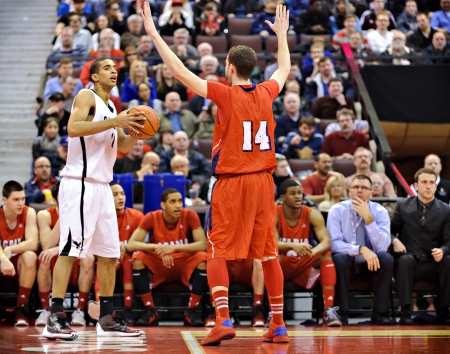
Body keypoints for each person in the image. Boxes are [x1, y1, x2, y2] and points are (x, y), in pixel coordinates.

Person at [140, 0, 291, 345]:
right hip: (265, 183)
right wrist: (281, 36)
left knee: (217, 250)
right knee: (268, 252)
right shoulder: (268, 91)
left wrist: (154, 33)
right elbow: (283, 68)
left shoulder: (225, 94)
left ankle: (222, 318)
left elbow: (179, 72)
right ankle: (278, 324)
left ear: (230, 67)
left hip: (233, 181)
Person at [42, 56, 144, 340]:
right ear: (96, 76)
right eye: (108, 68)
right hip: (79, 184)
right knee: (71, 249)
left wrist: (137, 131)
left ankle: (108, 317)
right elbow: (73, 128)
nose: (114, 71)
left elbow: (121, 145)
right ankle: (56, 317)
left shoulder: (112, 106)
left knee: (110, 253)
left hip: (102, 187)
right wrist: (116, 120)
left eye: (115, 68)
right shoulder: (86, 96)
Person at [126, 188, 208, 327]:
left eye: (180, 201)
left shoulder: (190, 215)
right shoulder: (152, 217)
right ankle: (150, 310)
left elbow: (203, 244)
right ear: (163, 205)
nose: (178, 205)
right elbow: (131, 244)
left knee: (203, 257)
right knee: (138, 257)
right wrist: (158, 249)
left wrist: (173, 248)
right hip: (160, 262)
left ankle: (191, 311)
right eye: (173, 202)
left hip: (183, 262)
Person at [327, 175, 393, 325]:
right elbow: (333, 243)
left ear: (371, 193)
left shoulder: (380, 211)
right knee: (339, 258)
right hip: (346, 266)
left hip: (371, 266)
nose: (359, 191)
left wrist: (369, 219)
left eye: (364, 188)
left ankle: (380, 313)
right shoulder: (337, 210)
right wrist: (360, 249)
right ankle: (341, 313)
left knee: (386, 259)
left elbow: (382, 246)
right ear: (349, 191)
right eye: (356, 187)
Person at [275, 180, 342, 326]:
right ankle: (273, 313)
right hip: (283, 265)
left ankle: (328, 310)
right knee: (272, 257)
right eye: (292, 194)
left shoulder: (312, 213)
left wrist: (313, 252)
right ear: (282, 198)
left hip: (303, 263)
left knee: (325, 254)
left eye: (299, 193)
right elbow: (271, 244)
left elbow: (326, 241)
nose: (298, 196)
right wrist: (293, 246)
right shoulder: (274, 213)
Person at [391, 168, 450, 325]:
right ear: (416, 186)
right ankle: (405, 312)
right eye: (424, 182)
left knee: (448, 260)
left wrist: (442, 250)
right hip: (411, 262)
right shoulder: (402, 205)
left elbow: (449, 241)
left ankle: (444, 311)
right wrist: (394, 240)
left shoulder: (446, 210)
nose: (428, 186)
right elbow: (388, 232)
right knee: (404, 261)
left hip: (433, 264)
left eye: (432, 183)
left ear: (436, 187)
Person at [35, 182, 95, 326]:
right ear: (55, 201)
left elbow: (86, 245)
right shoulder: (44, 215)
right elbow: (46, 244)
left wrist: (58, 249)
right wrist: (64, 217)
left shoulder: (83, 213)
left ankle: (79, 310)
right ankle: (45, 310)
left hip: (76, 261)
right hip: (55, 262)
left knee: (88, 258)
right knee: (43, 257)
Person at [88, 184, 145, 324]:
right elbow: (90, 246)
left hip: (127, 262)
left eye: (122, 193)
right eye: (115, 194)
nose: (121, 197)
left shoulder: (137, 216)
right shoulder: (97, 217)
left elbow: (140, 244)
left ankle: (128, 310)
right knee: (104, 262)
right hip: (104, 260)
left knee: (127, 260)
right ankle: (99, 308)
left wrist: (123, 249)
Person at [0, 181, 38, 326]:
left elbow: (32, 243)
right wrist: (3, 257)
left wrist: (9, 249)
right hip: (2, 263)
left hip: (19, 265)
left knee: (30, 256)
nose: (21, 203)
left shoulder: (29, 212)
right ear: (4, 200)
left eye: (23, 199)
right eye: (16, 200)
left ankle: (20, 309)